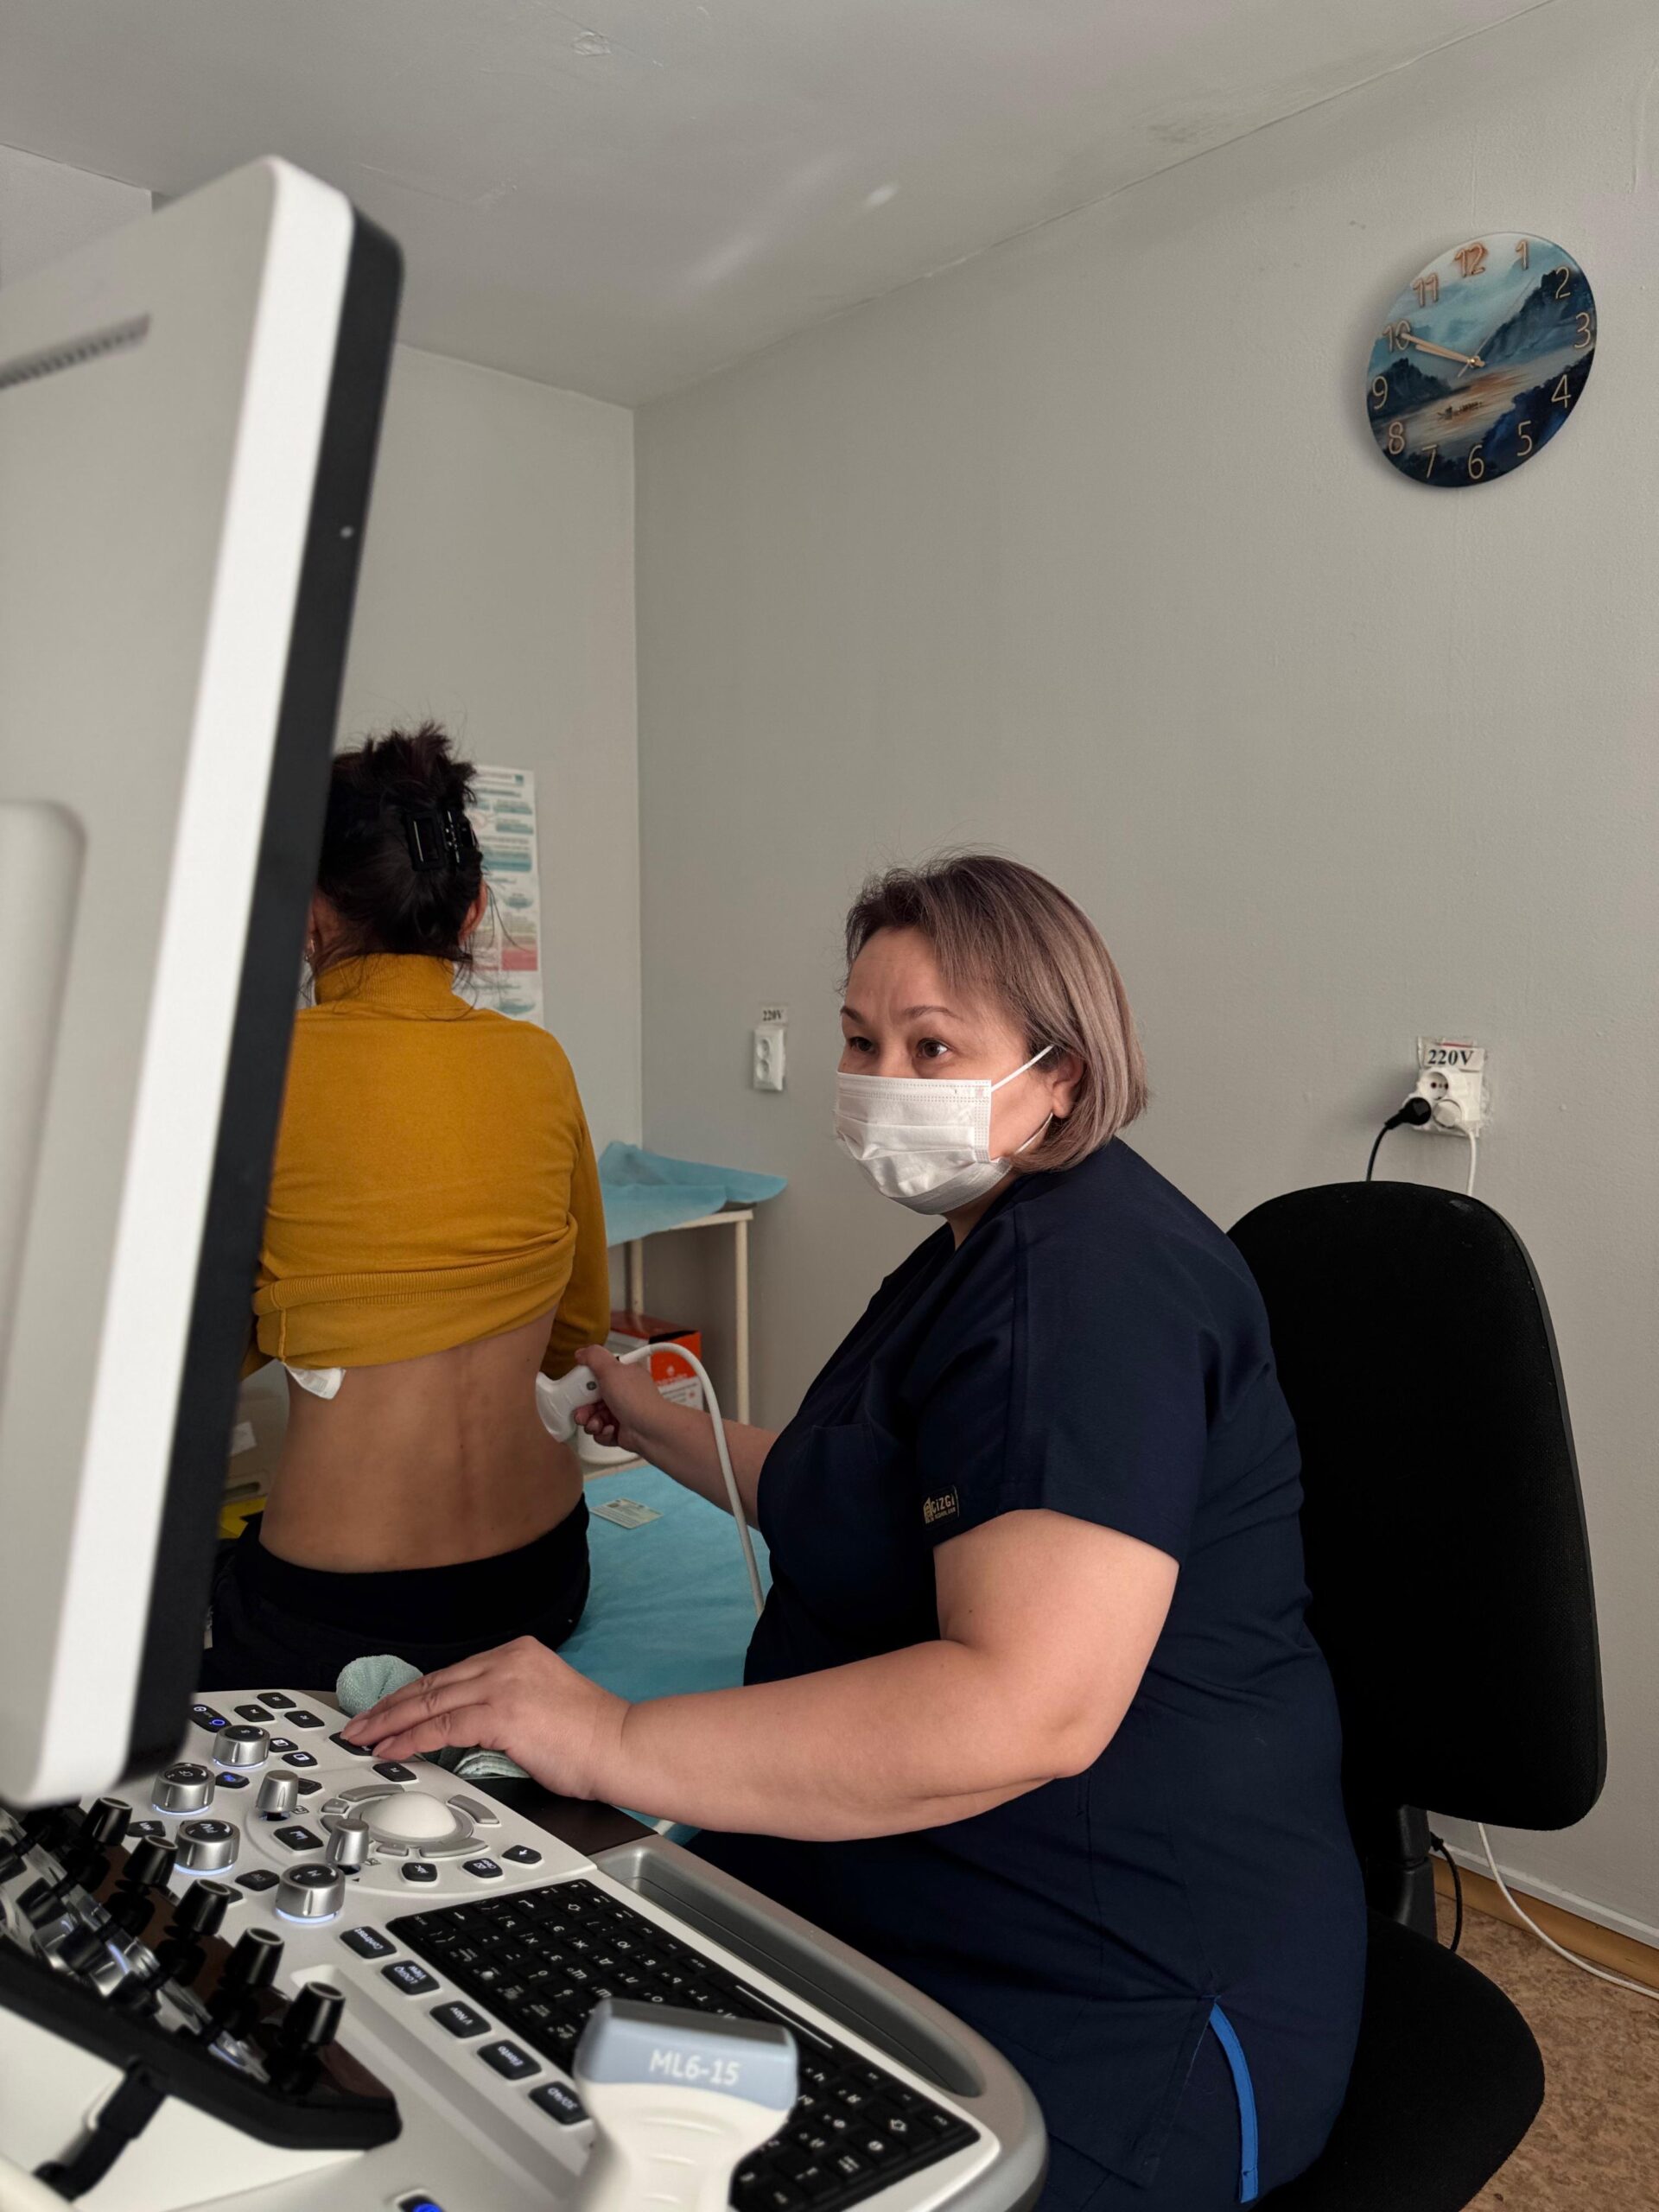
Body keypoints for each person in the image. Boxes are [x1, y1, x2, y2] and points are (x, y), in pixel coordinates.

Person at [344, 853, 1365, 2209]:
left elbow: (1028, 1710)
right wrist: (663, 1427)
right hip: (902, 1874)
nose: (884, 1077)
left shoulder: (1090, 1289)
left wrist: (613, 1737)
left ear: (1061, 1072)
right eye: (861, 1039)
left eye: (933, 1047)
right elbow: (868, 1492)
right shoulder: (981, 1247)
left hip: (1118, 1986)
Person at [202, 724, 610, 1692]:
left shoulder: (259, 1074)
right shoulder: (540, 1063)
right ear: (472, 910)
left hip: (337, 1617)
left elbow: (203, 1357)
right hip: (544, 1584)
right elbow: (578, 1332)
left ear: (310, 913)